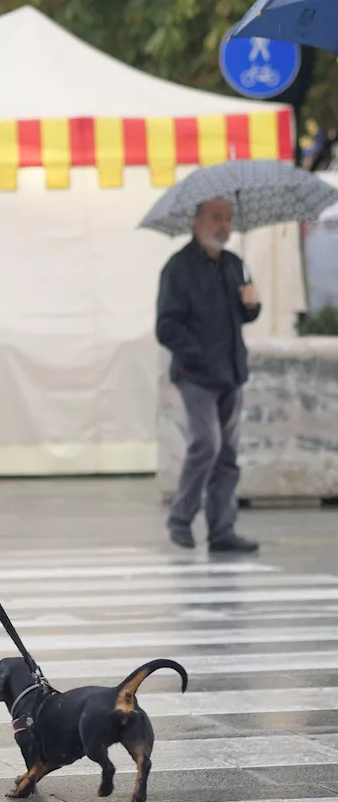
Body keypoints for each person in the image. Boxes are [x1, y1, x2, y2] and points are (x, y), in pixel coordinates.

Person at [157, 198, 261, 554]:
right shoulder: (178, 268)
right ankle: (180, 517)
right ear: (197, 220)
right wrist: (200, 353)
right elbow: (166, 327)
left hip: (231, 372)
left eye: (228, 219)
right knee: (207, 443)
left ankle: (222, 530)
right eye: (216, 218)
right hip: (197, 374)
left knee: (228, 454)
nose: (223, 225)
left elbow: (244, 316)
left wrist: (252, 305)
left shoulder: (235, 265)